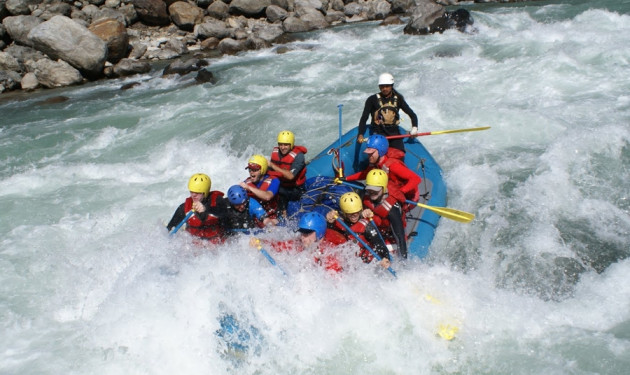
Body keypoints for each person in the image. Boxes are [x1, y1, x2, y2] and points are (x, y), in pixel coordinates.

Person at [250, 212, 347, 273]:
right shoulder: (300, 243)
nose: (303, 237)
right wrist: (261, 241)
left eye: (307, 233)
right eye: (302, 232)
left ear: (319, 233)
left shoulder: (329, 252)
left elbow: (333, 282)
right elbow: (279, 246)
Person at [345, 134, 421, 207]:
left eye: (371, 153)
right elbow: (365, 174)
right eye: (368, 153)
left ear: (381, 151)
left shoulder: (393, 166)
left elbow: (416, 179)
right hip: (393, 190)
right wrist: (346, 178)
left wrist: (401, 191)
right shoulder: (375, 163)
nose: (369, 156)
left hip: (409, 196)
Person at [356, 73, 419, 153]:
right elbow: (364, 118)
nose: (384, 89)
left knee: (399, 154)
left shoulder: (398, 99)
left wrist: (414, 128)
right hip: (378, 134)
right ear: (379, 86)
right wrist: (360, 134)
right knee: (376, 157)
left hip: (394, 133)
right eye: (382, 86)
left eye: (387, 86)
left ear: (392, 86)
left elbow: (412, 115)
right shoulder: (371, 100)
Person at [325, 192, 391, 268]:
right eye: (350, 213)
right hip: (348, 262)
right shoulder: (338, 221)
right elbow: (328, 235)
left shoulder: (366, 226)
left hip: (366, 264)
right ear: (344, 213)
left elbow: (380, 245)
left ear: (360, 210)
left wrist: (385, 259)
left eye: (356, 212)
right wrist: (329, 221)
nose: (354, 215)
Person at [361, 169, 409, 259]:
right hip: (374, 233)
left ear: (383, 188)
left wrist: (403, 261)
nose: (372, 192)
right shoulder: (366, 196)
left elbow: (400, 237)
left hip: (390, 237)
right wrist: (362, 214)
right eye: (370, 189)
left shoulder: (392, 209)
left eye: (375, 190)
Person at [166, 173, 226, 242]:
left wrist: (205, 209)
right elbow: (170, 228)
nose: (193, 195)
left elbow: (224, 213)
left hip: (216, 245)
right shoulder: (184, 207)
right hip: (194, 246)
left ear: (205, 192)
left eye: (197, 193)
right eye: (191, 192)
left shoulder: (218, 201)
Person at [267, 130, 308, 216]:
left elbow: (290, 176)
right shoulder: (276, 152)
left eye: (286, 145)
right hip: (282, 185)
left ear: (291, 144)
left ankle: (284, 212)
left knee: (280, 193)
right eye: (280, 144)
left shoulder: (299, 156)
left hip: (295, 189)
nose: (282, 147)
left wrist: (272, 166)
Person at [239, 154, 281, 222]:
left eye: (255, 170)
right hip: (253, 217)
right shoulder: (246, 182)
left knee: (271, 223)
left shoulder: (274, 181)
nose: (251, 172)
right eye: (250, 169)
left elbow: (268, 196)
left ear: (262, 170)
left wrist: (249, 188)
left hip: (271, 217)